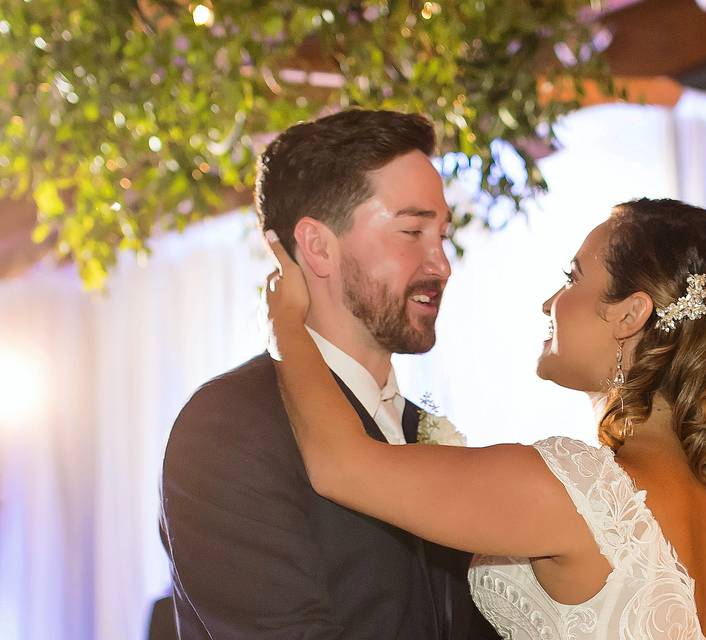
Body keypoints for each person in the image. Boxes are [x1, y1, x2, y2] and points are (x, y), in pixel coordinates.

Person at [263, 197, 706, 639]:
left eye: (573, 277)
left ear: (631, 313)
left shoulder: (577, 492)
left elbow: (341, 466)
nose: (550, 302)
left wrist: (286, 319)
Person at [160, 109, 499, 639]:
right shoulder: (228, 428)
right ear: (318, 247)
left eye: (442, 234)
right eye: (412, 231)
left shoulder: (419, 427)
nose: (441, 264)